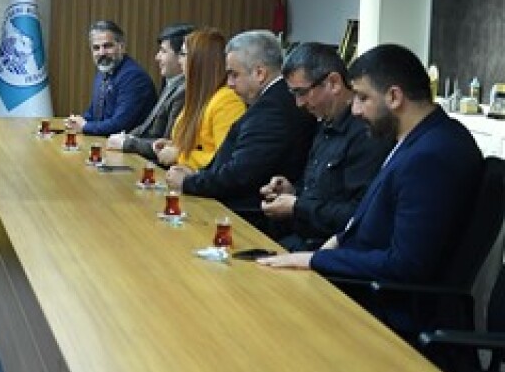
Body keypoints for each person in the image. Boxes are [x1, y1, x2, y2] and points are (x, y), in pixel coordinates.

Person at [261, 44, 483, 285]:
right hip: (351, 270)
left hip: (374, 297)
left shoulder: (430, 156)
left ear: (394, 97)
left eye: (362, 98)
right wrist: (334, 244)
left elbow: (405, 265)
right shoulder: (419, 139)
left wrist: (316, 260)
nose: (355, 109)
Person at [166, 29, 314, 224]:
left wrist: (188, 182)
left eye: (234, 75)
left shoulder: (273, 110)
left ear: (260, 73)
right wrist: (196, 174)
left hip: (248, 217)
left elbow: (240, 174)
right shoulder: (270, 101)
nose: (229, 83)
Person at [259, 43, 391, 252]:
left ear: (334, 83)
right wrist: (292, 191)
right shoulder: (325, 122)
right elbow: (324, 192)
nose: (299, 103)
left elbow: (358, 216)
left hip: (328, 252)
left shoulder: (366, 133)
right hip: (300, 241)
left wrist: (297, 207)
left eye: (302, 92)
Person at [151, 27, 246, 171]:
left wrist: (179, 155)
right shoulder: (199, 96)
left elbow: (225, 159)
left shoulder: (227, 101)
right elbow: (197, 145)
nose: (179, 60)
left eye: (183, 54)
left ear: (200, 61)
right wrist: (174, 146)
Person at [107, 23, 193, 160]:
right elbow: (148, 126)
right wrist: (126, 137)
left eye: (163, 51)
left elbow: (167, 143)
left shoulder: (185, 91)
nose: (157, 57)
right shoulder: (170, 83)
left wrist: (127, 143)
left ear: (181, 55)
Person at [64, 20, 156, 137]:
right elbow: (94, 113)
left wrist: (85, 126)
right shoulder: (104, 70)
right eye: (96, 48)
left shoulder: (134, 77)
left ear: (122, 47)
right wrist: (77, 121)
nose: (101, 53)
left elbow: (119, 125)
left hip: (130, 146)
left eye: (107, 46)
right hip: (105, 142)